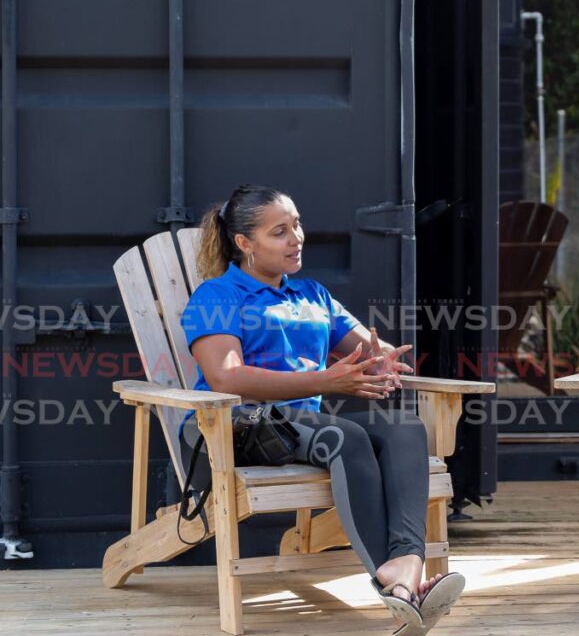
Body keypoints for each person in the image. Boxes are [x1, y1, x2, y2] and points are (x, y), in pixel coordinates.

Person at [179, 184, 463, 634]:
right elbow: (226, 378)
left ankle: (406, 563)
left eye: (297, 225)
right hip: (234, 427)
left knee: (404, 427)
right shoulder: (217, 297)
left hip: (300, 429)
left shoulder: (311, 295)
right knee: (345, 436)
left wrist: (380, 359)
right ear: (244, 243)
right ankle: (398, 586)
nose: (297, 238)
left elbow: (364, 349)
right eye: (280, 231)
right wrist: (325, 380)